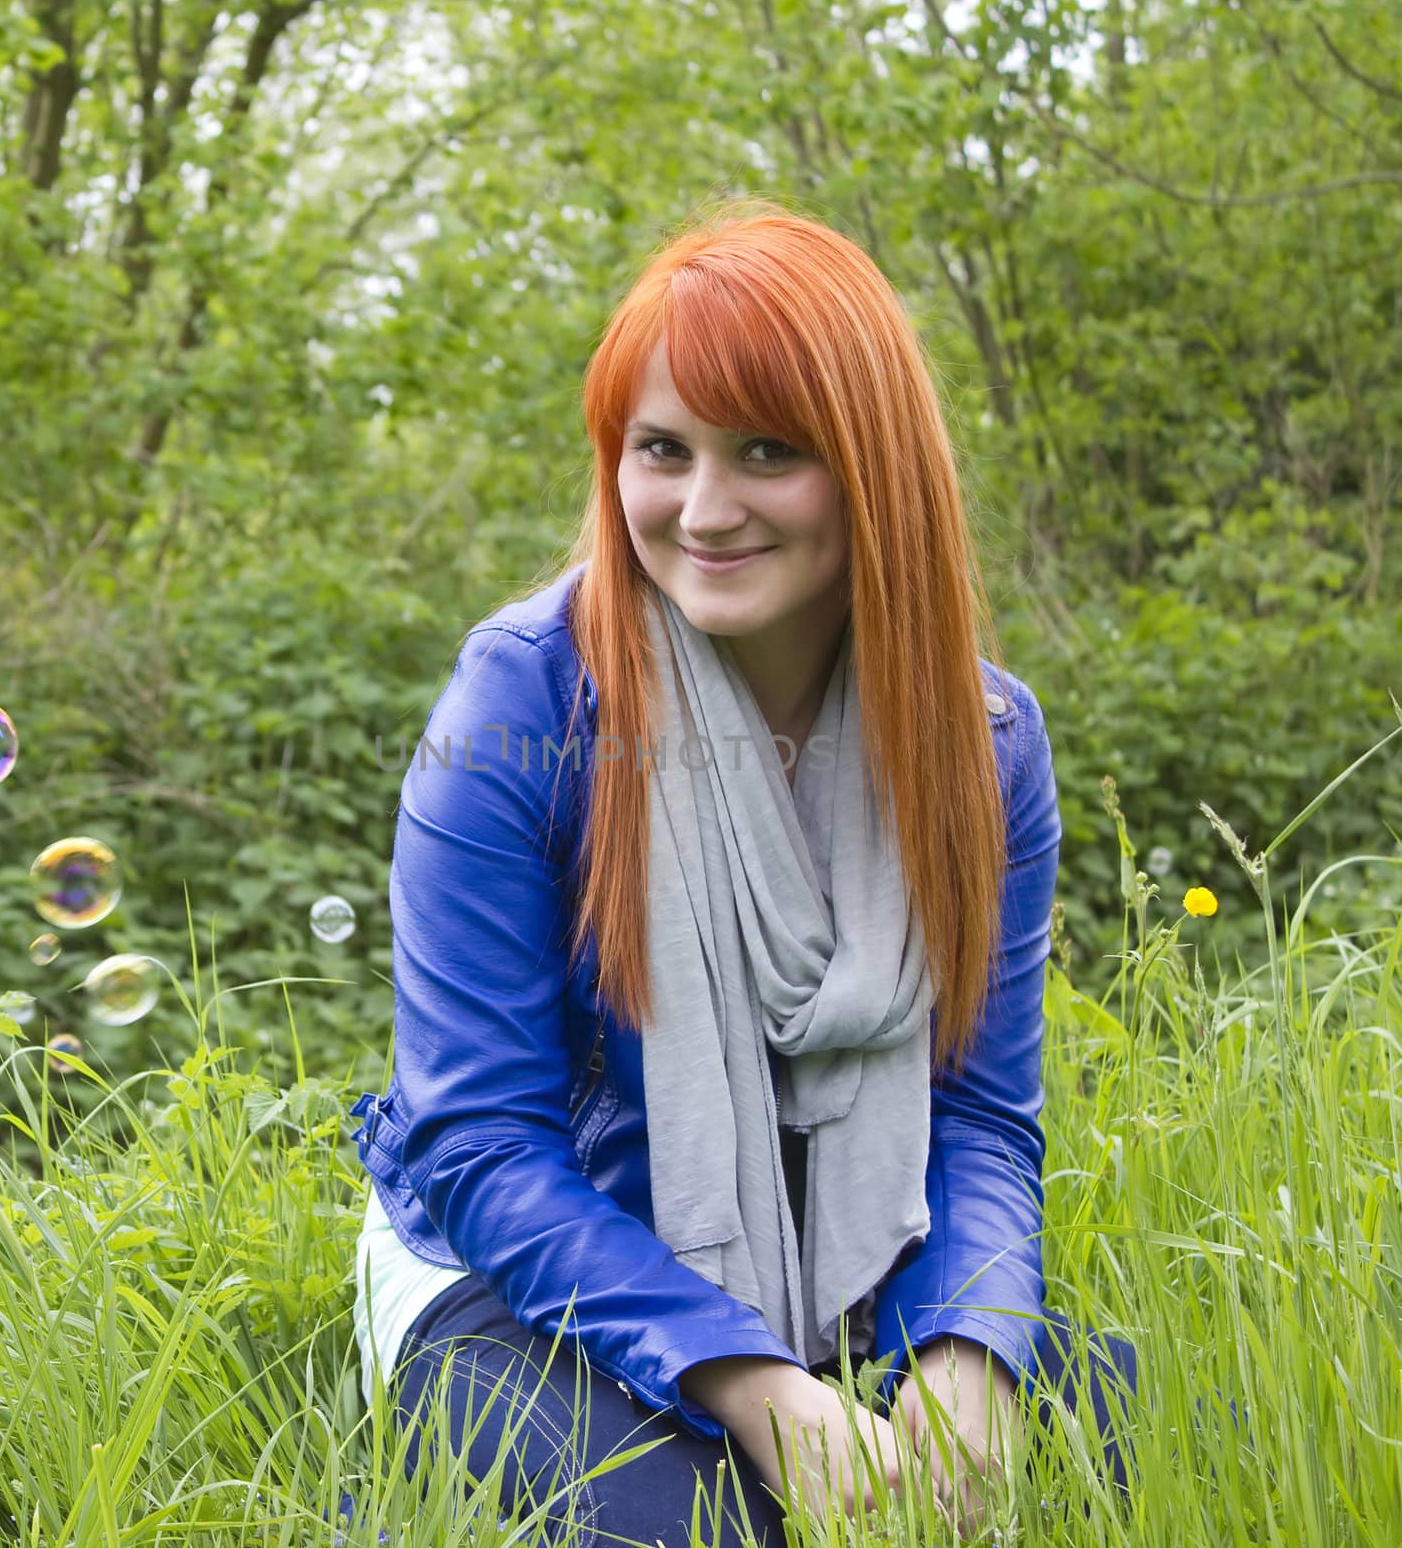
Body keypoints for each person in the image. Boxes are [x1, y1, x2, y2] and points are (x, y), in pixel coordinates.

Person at [347, 198, 1138, 1548]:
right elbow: (482, 1147)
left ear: (870, 464)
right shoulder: (521, 704)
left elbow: (985, 1124)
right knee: (716, 1532)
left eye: (768, 452)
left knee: (1111, 1432)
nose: (704, 511)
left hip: (850, 1263)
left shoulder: (984, 742)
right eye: (663, 450)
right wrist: (769, 1397)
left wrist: (969, 1358)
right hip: (522, 1277)